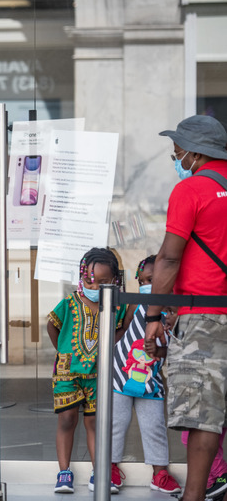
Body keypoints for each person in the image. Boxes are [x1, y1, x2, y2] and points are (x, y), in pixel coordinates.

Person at [145, 115, 227, 501]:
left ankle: (193, 496)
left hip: (203, 317)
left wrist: (154, 317)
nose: (174, 154)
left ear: (196, 152)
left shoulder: (191, 190)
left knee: (202, 415)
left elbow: (168, 259)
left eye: (177, 148)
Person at [47, 247, 127, 494]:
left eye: (104, 282)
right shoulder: (69, 303)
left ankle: (99, 473)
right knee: (67, 419)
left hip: (97, 375)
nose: (96, 286)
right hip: (67, 373)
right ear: (81, 278)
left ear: (115, 281)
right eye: (89, 281)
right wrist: (63, 351)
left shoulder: (117, 307)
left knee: (94, 423)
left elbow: (120, 331)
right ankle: (63, 472)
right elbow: (52, 326)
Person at [110, 255, 181, 494]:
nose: (146, 286)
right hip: (120, 375)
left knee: (154, 427)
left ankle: (159, 473)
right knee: (116, 424)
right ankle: (109, 468)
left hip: (151, 381)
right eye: (142, 281)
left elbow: (175, 348)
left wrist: (159, 350)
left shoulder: (173, 312)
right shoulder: (135, 304)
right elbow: (124, 330)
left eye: (152, 279)